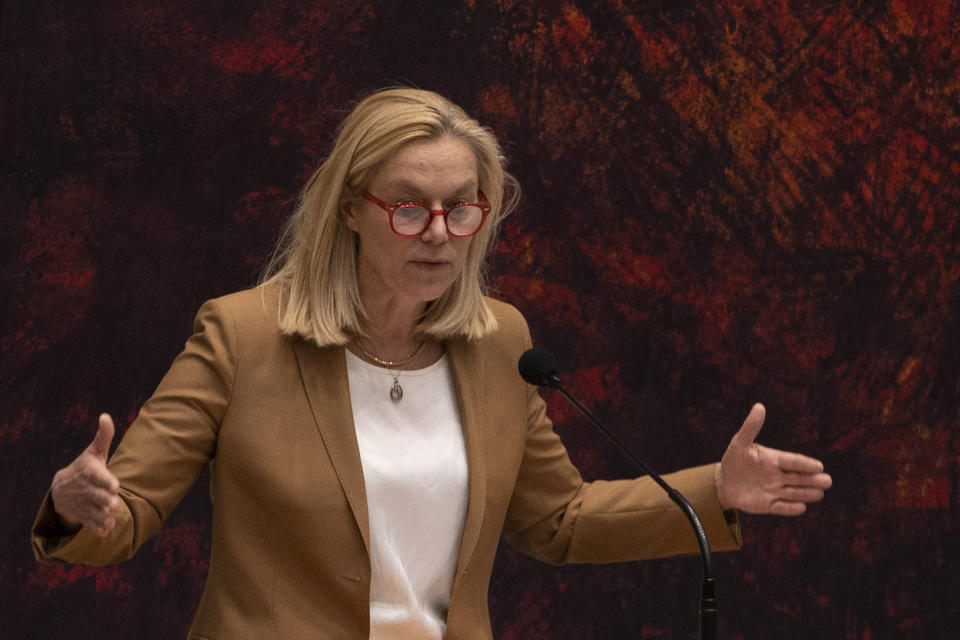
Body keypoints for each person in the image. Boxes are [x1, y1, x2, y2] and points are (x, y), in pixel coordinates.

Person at [32, 88, 833, 639]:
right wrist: (75, 504)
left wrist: (714, 491)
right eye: (410, 206)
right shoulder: (242, 336)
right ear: (351, 208)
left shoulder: (499, 344)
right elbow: (122, 515)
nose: (442, 232)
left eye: (463, 207)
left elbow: (557, 522)